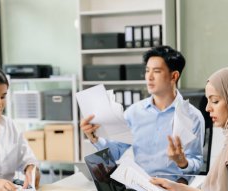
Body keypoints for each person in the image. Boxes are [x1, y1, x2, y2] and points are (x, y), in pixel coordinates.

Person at [80, 46, 205, 182]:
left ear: (174, 76)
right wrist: (95, 138)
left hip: (174, 188)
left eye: (156, 71)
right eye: (147, 71)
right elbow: (116, 152)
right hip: (140, 186)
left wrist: (182, 162)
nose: (149, 77)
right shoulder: (134, 112)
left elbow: (196, 164)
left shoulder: (192, 116)